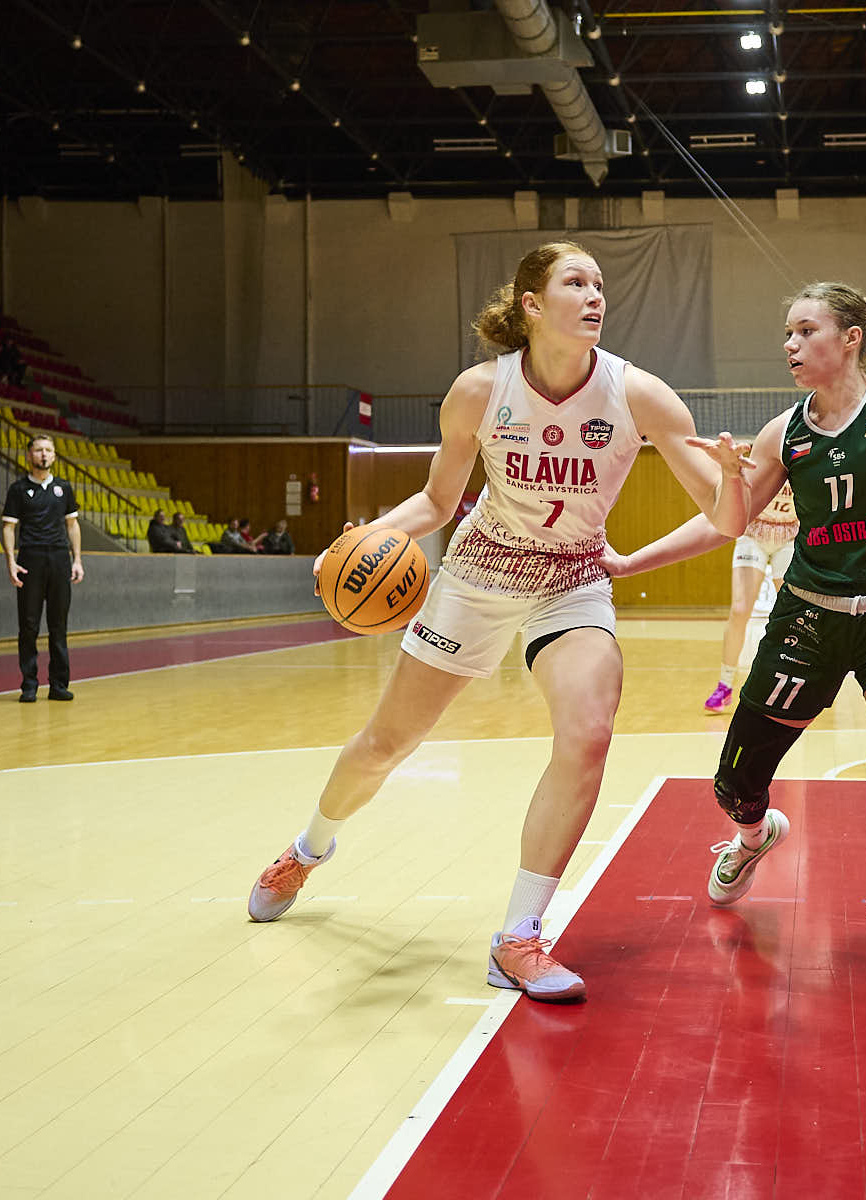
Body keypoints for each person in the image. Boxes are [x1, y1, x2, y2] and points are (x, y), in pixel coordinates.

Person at [245, 241, 752, 1003]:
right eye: (575, 282)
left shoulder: (641, 394)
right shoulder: (481, 391)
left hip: (572, 578)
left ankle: (518, 938)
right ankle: (307, 849)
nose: (595, 295)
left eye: (600, 284)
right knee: (385, 745)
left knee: (588, 734)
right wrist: (358, 541)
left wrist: (734, 482)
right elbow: (437, 502)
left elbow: (724, 518)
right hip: (480, 574)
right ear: (532, 305)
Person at [603, 275, 866, 958]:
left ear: (851, 338)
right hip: (809, 622)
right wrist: (629, 561)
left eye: (805, 330)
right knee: (735, 785)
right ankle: (753, 837)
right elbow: (726, 523)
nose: (790, 344)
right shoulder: (782, 433)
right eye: (787, 333)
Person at [702, 479, 797, 713]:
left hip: (790, 534)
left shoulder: (802, 459)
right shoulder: (761, 460)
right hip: (753, 532)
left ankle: (793, 680)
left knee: (792, 614)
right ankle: (725, 684)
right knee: (740, 610)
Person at [1, 434, 83, 702]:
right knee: (29, 625)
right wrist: (11, 561)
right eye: (38, 450)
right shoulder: (18, 489)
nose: (44, 454)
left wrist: (77, 559)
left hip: (59, 558)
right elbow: (8, 527)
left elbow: (72, 525)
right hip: (31, 559)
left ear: (54, 456)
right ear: (29, 455)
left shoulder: (63, 488)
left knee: (58, 625)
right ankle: (29, 684)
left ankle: (59, 684)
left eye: (48, 450)